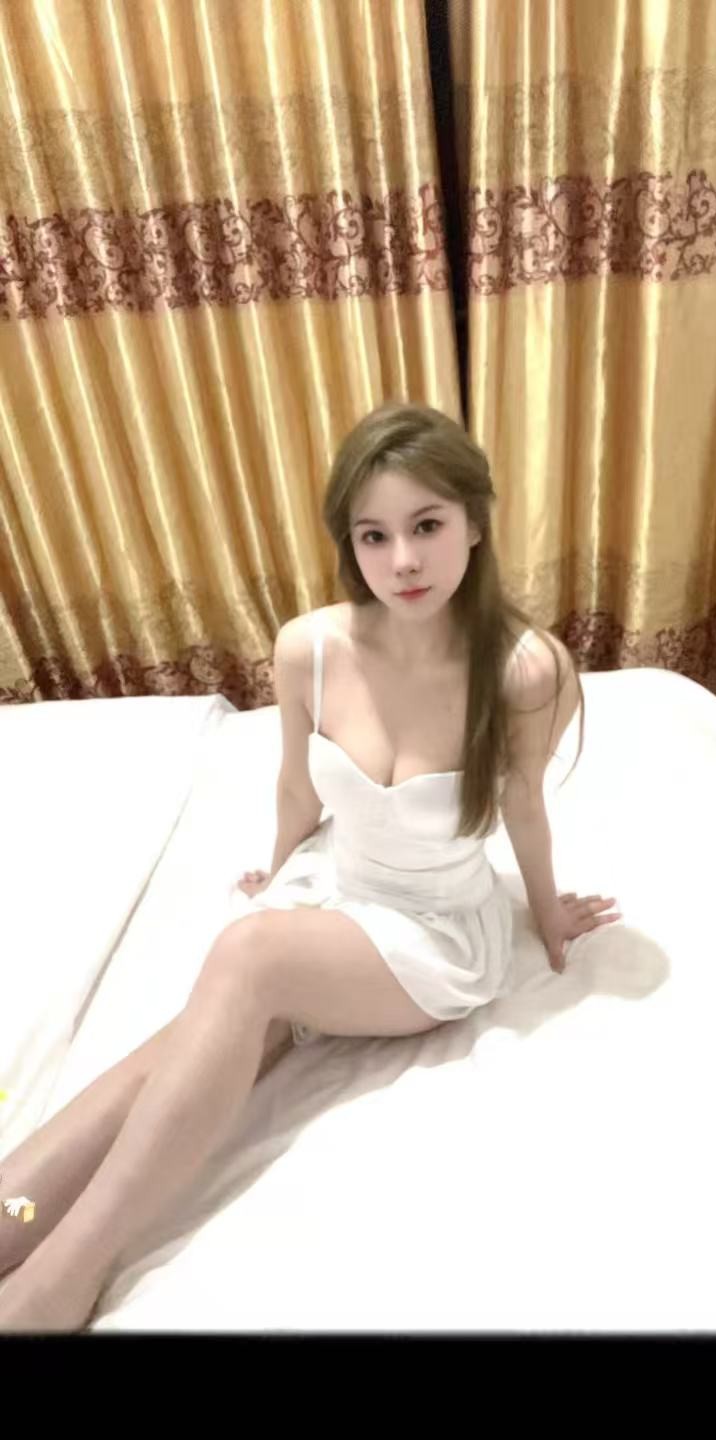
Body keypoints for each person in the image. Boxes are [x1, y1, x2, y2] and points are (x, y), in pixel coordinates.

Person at [0, 401, 620, 1332]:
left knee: (247, 962)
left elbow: (524, 804)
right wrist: (281, 876)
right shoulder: (311, 648)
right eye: (374, 536)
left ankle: (63, 1277)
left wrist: (548, 911)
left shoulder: (525, 670)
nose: (402, 561)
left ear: (475, 523)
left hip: (434, 936)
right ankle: (10, 1216)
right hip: (334, 890)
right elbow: (298, 788)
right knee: (182, 1042)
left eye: (426, 526)